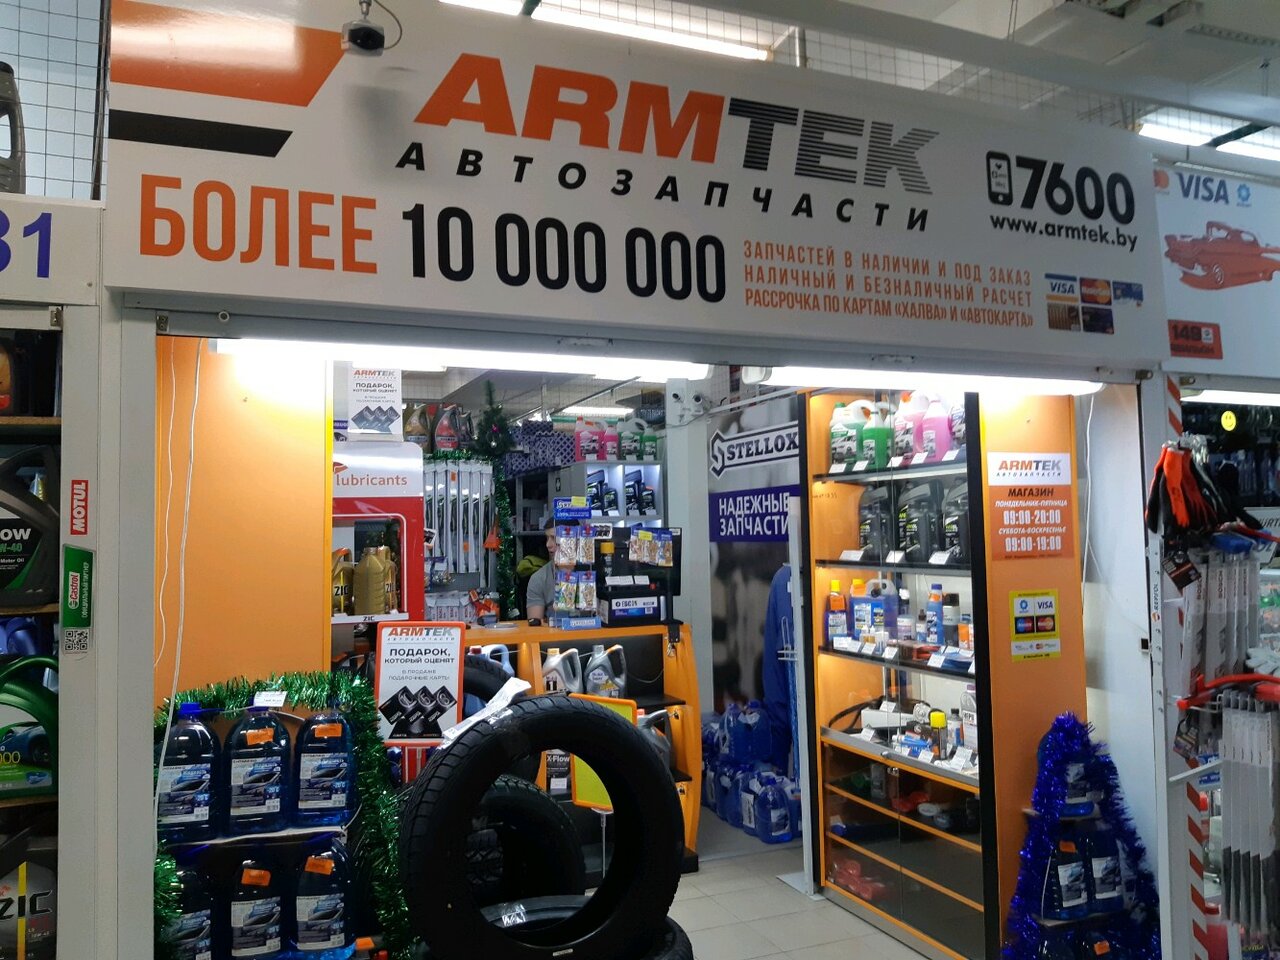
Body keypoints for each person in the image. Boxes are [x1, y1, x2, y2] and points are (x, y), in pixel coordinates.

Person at [525, 523, 558, 621]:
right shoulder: (538, 578)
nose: (548, 545)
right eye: (547, 538)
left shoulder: (591, 571)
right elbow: (535, 623)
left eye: (554, 538)